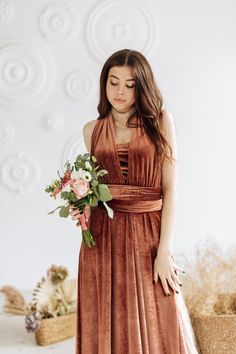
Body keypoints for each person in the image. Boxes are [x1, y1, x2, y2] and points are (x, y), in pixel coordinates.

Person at [70, 49, 199, 354]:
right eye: (113, 82)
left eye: (129, 85)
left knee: (160, 314)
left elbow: (171, 189)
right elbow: (96, 187)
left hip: (148, 234)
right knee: (105, 316)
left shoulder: (160, 121)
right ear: (104, 83)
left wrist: (164, 251)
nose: (120, 91)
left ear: (142, 86)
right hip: (103, 238)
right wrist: (81, 205)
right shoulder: (92, 130)